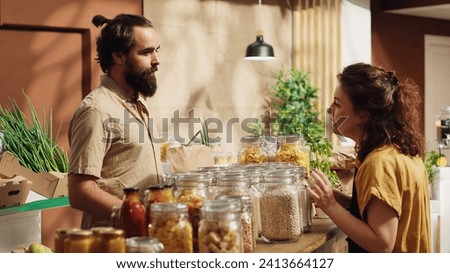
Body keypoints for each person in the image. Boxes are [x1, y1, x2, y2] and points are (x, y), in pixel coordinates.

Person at [308, 63, 431, 252]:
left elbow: (382, 243)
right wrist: (333, 196)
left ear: (363, 115)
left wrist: (330, 205)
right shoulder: (399, 152)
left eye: (337, 103)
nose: (330, 109)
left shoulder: (379, 163)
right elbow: (382, 214)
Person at [68, 14, 163, 229]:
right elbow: (80, 193)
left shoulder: (138, 102)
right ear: (119, 56)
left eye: (157, 50)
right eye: (146, 52)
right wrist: (139, 218)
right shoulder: (96, 110)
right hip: (113, 244)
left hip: (145, 238)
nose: (156, 60)